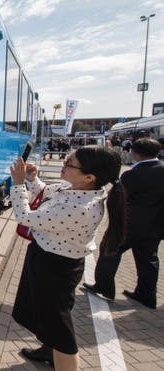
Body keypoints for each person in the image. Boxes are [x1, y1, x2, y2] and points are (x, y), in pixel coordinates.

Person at [9, 146, 126, 370]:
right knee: (46, 316)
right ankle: (49, 351)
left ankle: (62, 358)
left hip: (55, 267)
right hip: (49, 258)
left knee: (59, 329)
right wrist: (33, 180)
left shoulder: (81, 208)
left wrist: (18, 184)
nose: (64, 164)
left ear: (89, 177)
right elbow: (48, 193)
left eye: (69, 163)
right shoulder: (79, 189)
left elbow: (25, 216)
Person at [84, 138, 164, 309]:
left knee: (109, 251)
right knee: (149, 260)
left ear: (134, 153)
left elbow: (118, 199)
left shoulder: (132, 174)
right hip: (154, 228)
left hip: (127, 226)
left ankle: (104, 287)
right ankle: (147, 296)